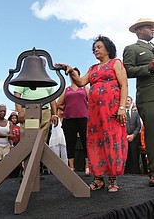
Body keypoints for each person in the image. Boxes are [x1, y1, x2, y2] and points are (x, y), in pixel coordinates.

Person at [56, 35, 128, 192]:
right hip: (95, 112)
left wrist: (122, 107)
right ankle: (98, 178)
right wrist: (70, 71)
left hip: (112, 111)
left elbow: (124, 84)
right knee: (95, 142)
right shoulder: (92, 69)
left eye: (99, 47)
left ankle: (113, 180)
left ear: (108, 49)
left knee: (111, 141)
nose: (96, 49)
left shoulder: (116, 63)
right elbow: (81, 82)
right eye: (94, 48)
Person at [123, 18, 154, 185]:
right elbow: (126, 70)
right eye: (149, 27)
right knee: (152, 134)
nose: (153, 29)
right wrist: (147, 68)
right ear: (139, 31)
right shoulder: (132, 48)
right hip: (148, 97)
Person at [57, 67, 90, 176]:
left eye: (75, 74)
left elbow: (92, 102)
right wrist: (66, 110)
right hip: (69, 119)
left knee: (86, 142)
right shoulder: (67, 90)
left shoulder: (85, 88)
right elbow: (59, 104)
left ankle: (87, 166)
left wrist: (87, 110)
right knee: (70, 142)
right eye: (71, 75)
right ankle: (71, 167)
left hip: (83, 118)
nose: (73, 77)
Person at [124, 96, 141, 174]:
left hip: (135, 138)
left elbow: (139, 125)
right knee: (126, 157)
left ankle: (136, 173)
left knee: (134, 156)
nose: (127, 102)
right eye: (126, 100)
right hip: (124, 138)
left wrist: (133, 135)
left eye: (128, 100)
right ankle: (125, 172)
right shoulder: (121, 113)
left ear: (131, 102)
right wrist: (126, 135)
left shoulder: (136, 113)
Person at [8, 112, 21, 178]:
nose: (14, 120)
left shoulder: (19, 127)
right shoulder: (8, 126)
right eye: (12, 118)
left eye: (15, 118)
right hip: (10, 145)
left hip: (18, 144)